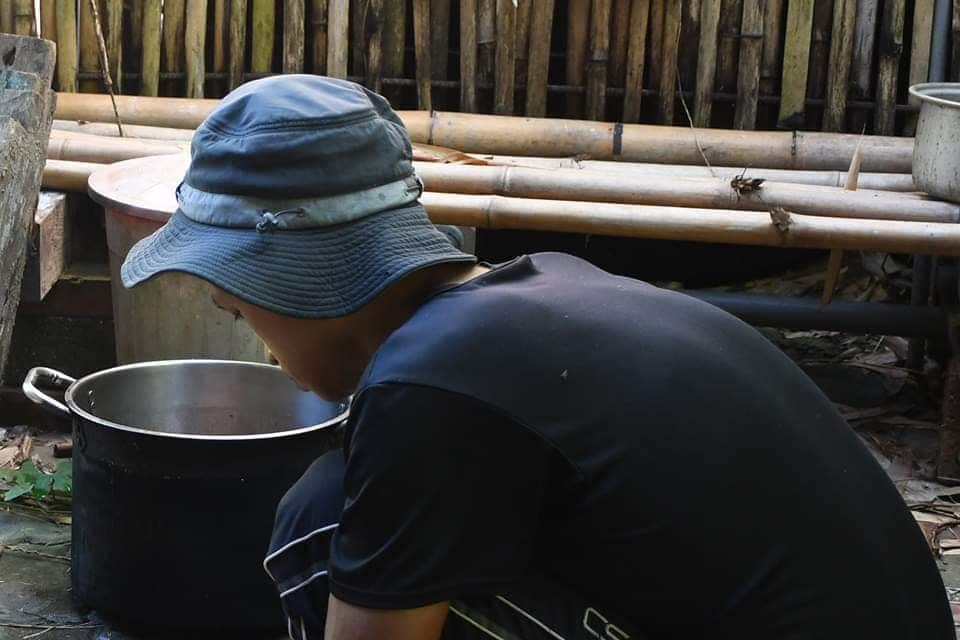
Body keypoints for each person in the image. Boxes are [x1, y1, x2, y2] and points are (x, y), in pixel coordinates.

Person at [121, 74, 953, 640]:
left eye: (239, 307)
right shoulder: (547, 295)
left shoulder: (432, 386)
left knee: (322, 523)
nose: (266, 353)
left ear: (295, 279)